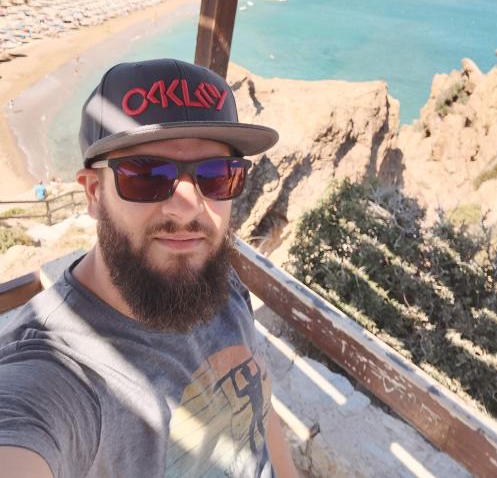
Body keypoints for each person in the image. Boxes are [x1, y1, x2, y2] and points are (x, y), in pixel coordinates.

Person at [0, 58, 298, 478]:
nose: (189, 207)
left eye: (218, 176)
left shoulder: (215, 277)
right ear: (93, 193)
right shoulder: (55, 373)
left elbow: (259, 406)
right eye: (147, 176)